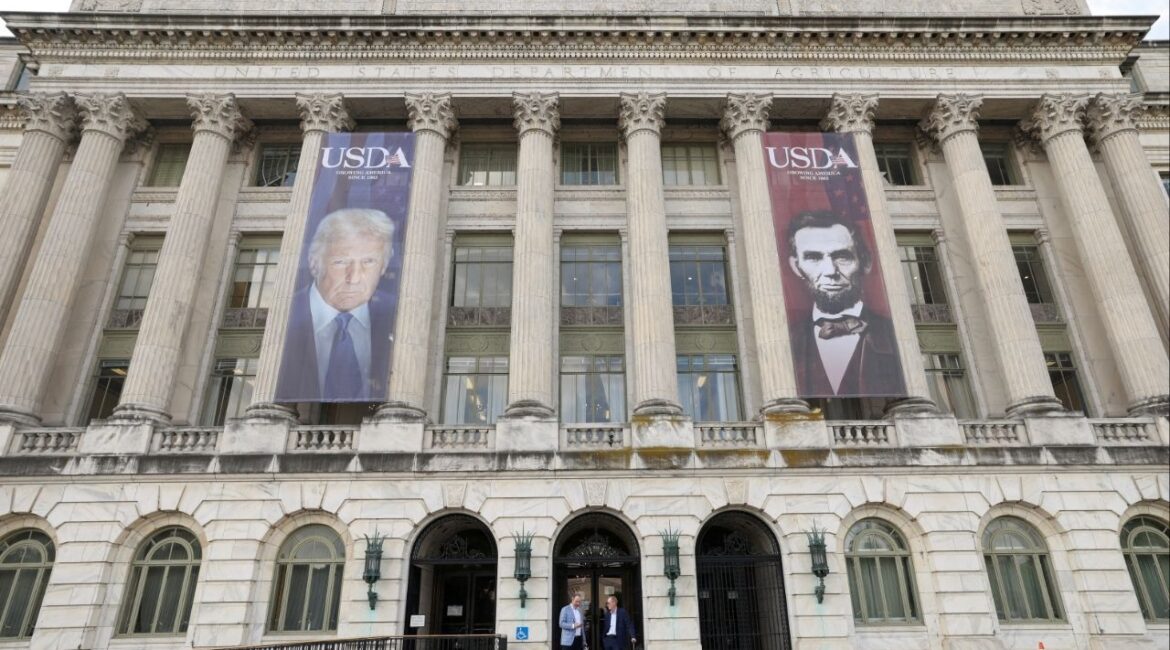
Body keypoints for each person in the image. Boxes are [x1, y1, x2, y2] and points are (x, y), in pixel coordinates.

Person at [276, 208, 398, 402]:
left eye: (369, 261)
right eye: (340, 262)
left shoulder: (398, 313)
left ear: (383, 266)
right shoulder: (286, 311)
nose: (355, 278)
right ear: (314, 263)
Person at [785, 210, 905, 397]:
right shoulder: (786, 341)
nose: (830, 271)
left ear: (865, 262)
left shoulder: (895, 334)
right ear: (796, 266)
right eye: (814, 258)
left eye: (842, 256)